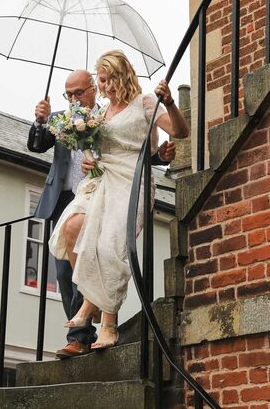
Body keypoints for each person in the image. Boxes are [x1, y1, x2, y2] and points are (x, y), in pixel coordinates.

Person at [27, 68, 175, 359]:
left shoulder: (108, 115)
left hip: (106, 191)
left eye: (78, 93)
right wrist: (40, 120)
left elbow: (130, 150)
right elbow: (35, 144)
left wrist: (159, 157)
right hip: (68, 197)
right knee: (65, 269)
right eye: (68, 94)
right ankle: (81, 331)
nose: (73, 99)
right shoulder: (61, 118)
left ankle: (87, 327)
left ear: (93, 88)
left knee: (102, 251)